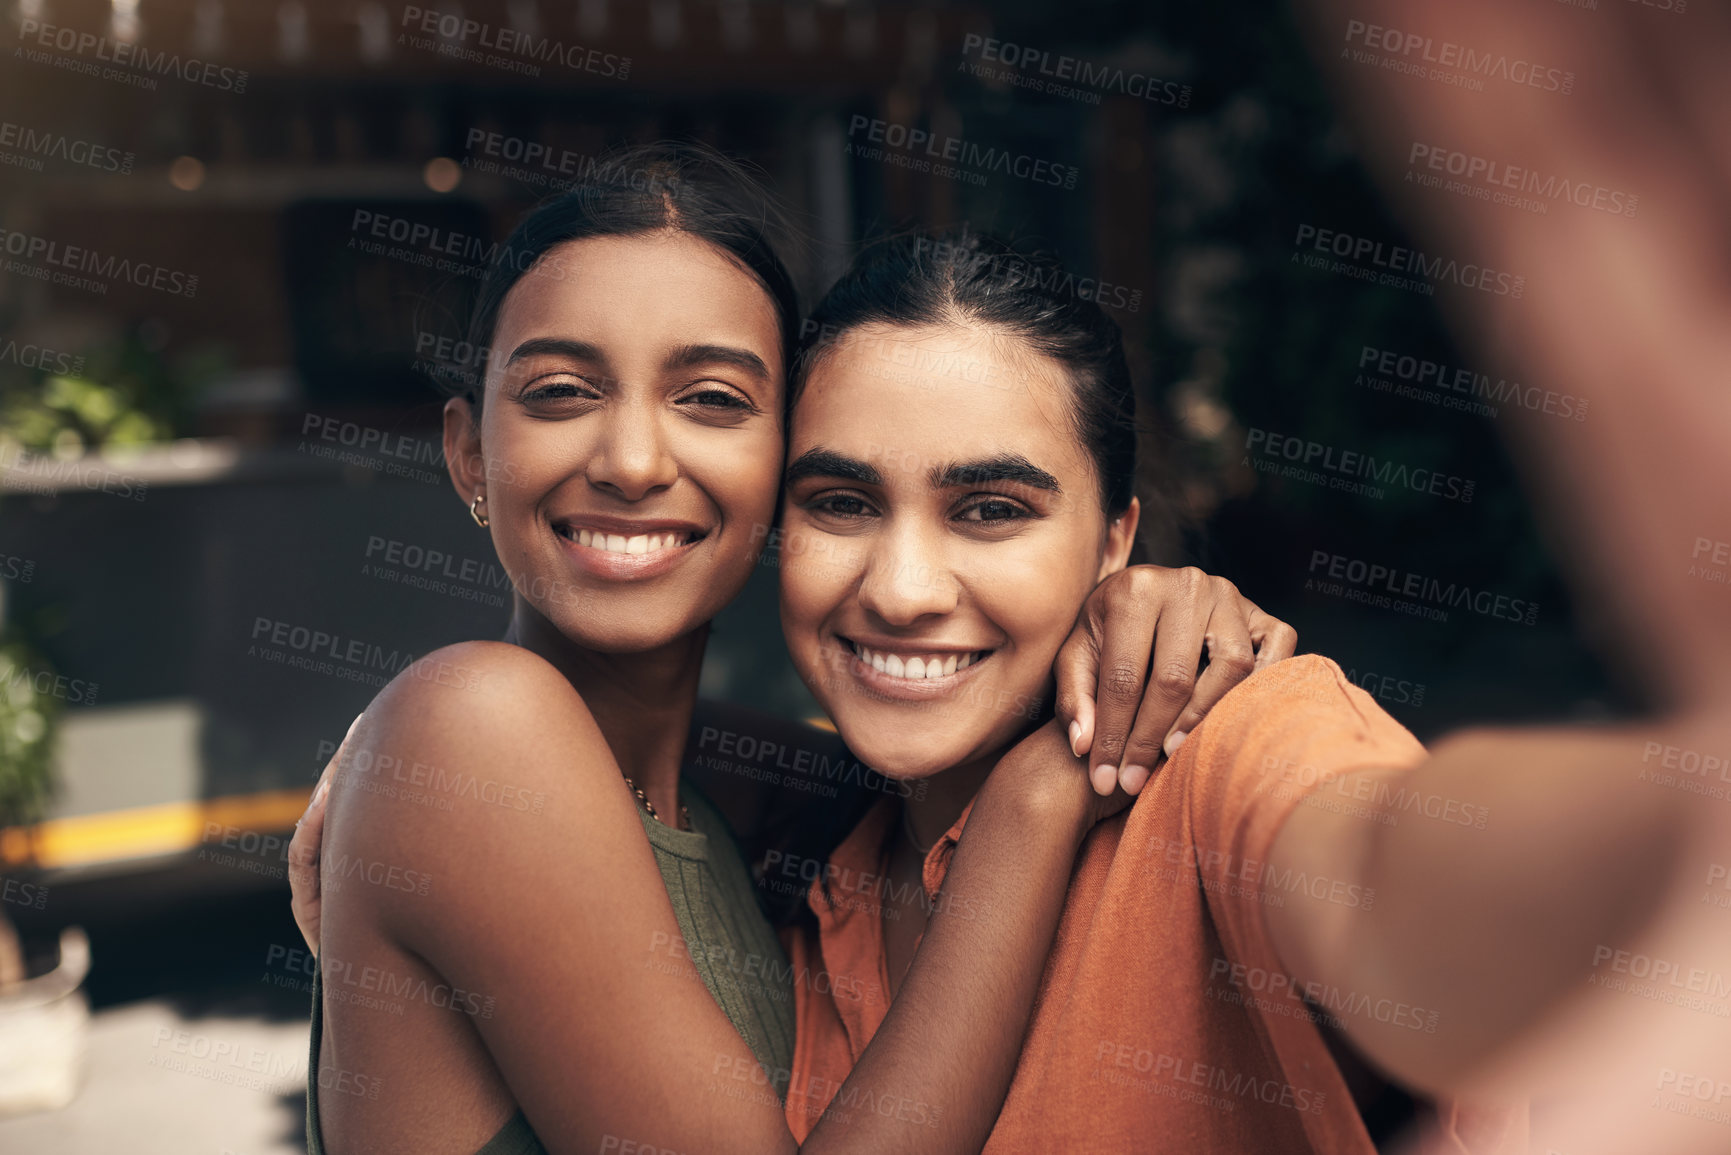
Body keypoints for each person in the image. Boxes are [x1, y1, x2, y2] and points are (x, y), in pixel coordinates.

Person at [292, 145, 1296, 1155]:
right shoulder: (477, 727)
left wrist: (1153, 605)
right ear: (470, 454)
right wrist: (1039, 801)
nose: (634, 462)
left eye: (713, 400)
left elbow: (919, 776)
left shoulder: (732, 794)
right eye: (560, 391)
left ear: (783, 468)